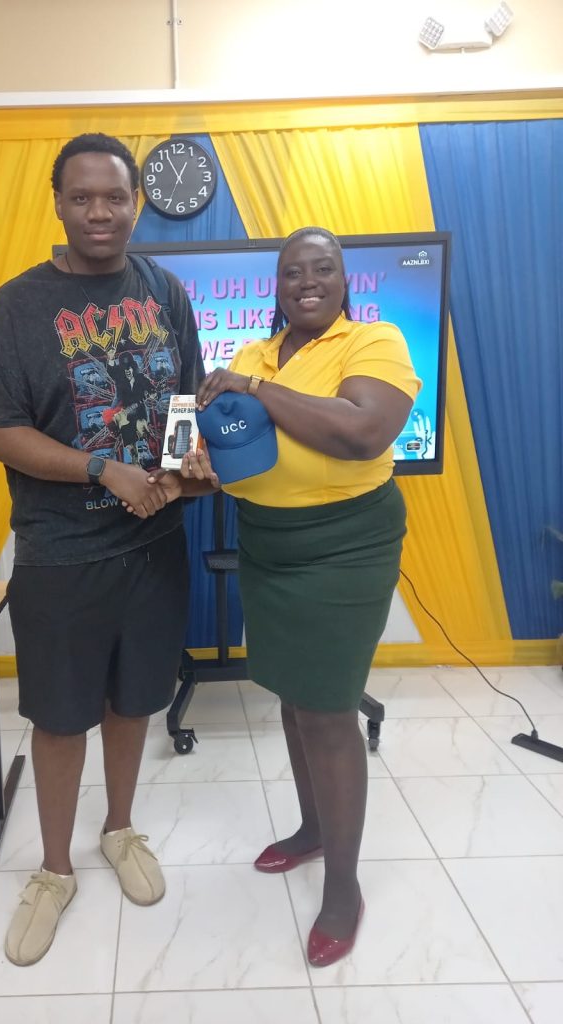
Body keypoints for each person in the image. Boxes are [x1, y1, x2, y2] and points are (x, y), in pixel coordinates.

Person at [0, 132, 204, 966]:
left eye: (115, 197)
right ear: (59, 205)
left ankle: (119, 829)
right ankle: (54, 869)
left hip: (155, 546)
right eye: (83, 197)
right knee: (61, 720)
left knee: (134, 703)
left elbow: (182, 402)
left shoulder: (164, 290)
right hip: (61, 553)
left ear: (137, 203)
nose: (101, 211)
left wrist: (180, 470)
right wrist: (102, 467)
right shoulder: (17, 306)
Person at [175, 226, 420, 967]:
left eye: (323, 269)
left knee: (327, 709)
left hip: (346, 546)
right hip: (268, 545)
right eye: (292, 272)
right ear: (276, 286)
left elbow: (363, 433)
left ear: (345, 282)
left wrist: (254, 391)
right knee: (290, 693)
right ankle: (313, 831)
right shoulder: (253, 353)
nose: (308, 281)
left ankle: (343, 888)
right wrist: (195, 466)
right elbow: (232, 456)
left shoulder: (373, 343)